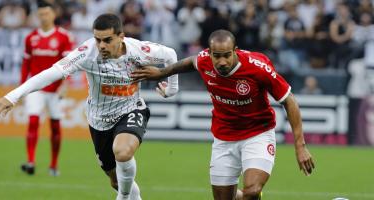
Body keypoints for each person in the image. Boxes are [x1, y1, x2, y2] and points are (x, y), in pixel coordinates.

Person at [0, 13, 178, 200]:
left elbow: (170, 55)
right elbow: (52, 73)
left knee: (122, 152)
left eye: (107, 40)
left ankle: (122, 197)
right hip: (99, 120)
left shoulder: (139, 50)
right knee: (115, 180)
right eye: (98, 40)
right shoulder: (87, 53)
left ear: (121, 37)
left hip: (131, 109)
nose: (101, 45)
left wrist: (171, 89)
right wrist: (12, 97)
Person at [131, 29, 315, 200]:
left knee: (253, 190)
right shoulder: (204, 61)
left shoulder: (257, 67)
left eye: (227, 55)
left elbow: (289, 100)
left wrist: (300, 146)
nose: (222, 62)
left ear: (235, 51)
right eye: (216, 56)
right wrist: (161, 73)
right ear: (209, 53)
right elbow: (190, 62)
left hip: (258, 134)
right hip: (224, 138)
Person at [18, 1, 74, 177]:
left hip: (55, 89)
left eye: (46, 14)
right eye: (40, 14)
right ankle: (31, 161)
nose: (43, 17)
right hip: (36, 89)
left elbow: (69, 65)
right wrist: (21, 88)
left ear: (53, 15)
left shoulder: (64, 37)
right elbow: (26, 64)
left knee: (55, 127)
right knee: (33, 122)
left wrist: (65, 84)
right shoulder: (31, 38)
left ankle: (53, 165)